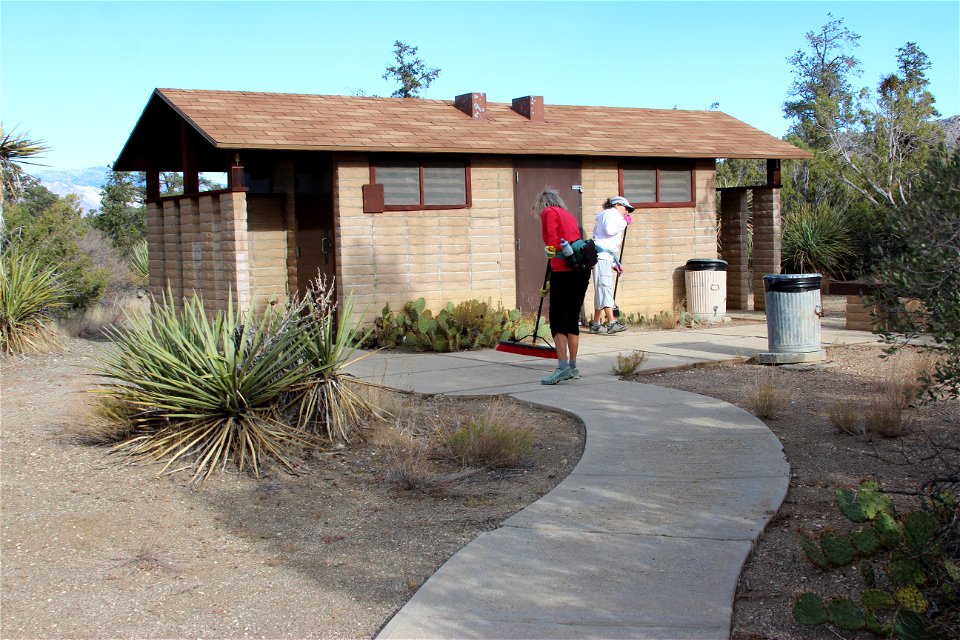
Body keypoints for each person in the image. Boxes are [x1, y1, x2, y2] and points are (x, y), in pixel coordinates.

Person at [535, 188, 591, 385]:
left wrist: (549, 252)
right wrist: (550, 281)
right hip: (580, 269)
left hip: (564, 271)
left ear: (542, 203)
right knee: (572, 317)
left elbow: (551, 241)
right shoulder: (567, 214)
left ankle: (561, 368)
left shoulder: (548, 212)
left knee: (558, 318)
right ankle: (573, 367)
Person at [589, 196, 634, 334]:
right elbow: (609, 230)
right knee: (605, 288)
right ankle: (612, 322)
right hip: (602, 257)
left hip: (604, 256)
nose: (627, 212)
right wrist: (624, 223)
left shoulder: (610, 215)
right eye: (626, 208)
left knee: (601, 289)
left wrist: (614, 263)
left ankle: (596, 324)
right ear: (618, 205)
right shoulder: (611, 214)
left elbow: (608, 242)